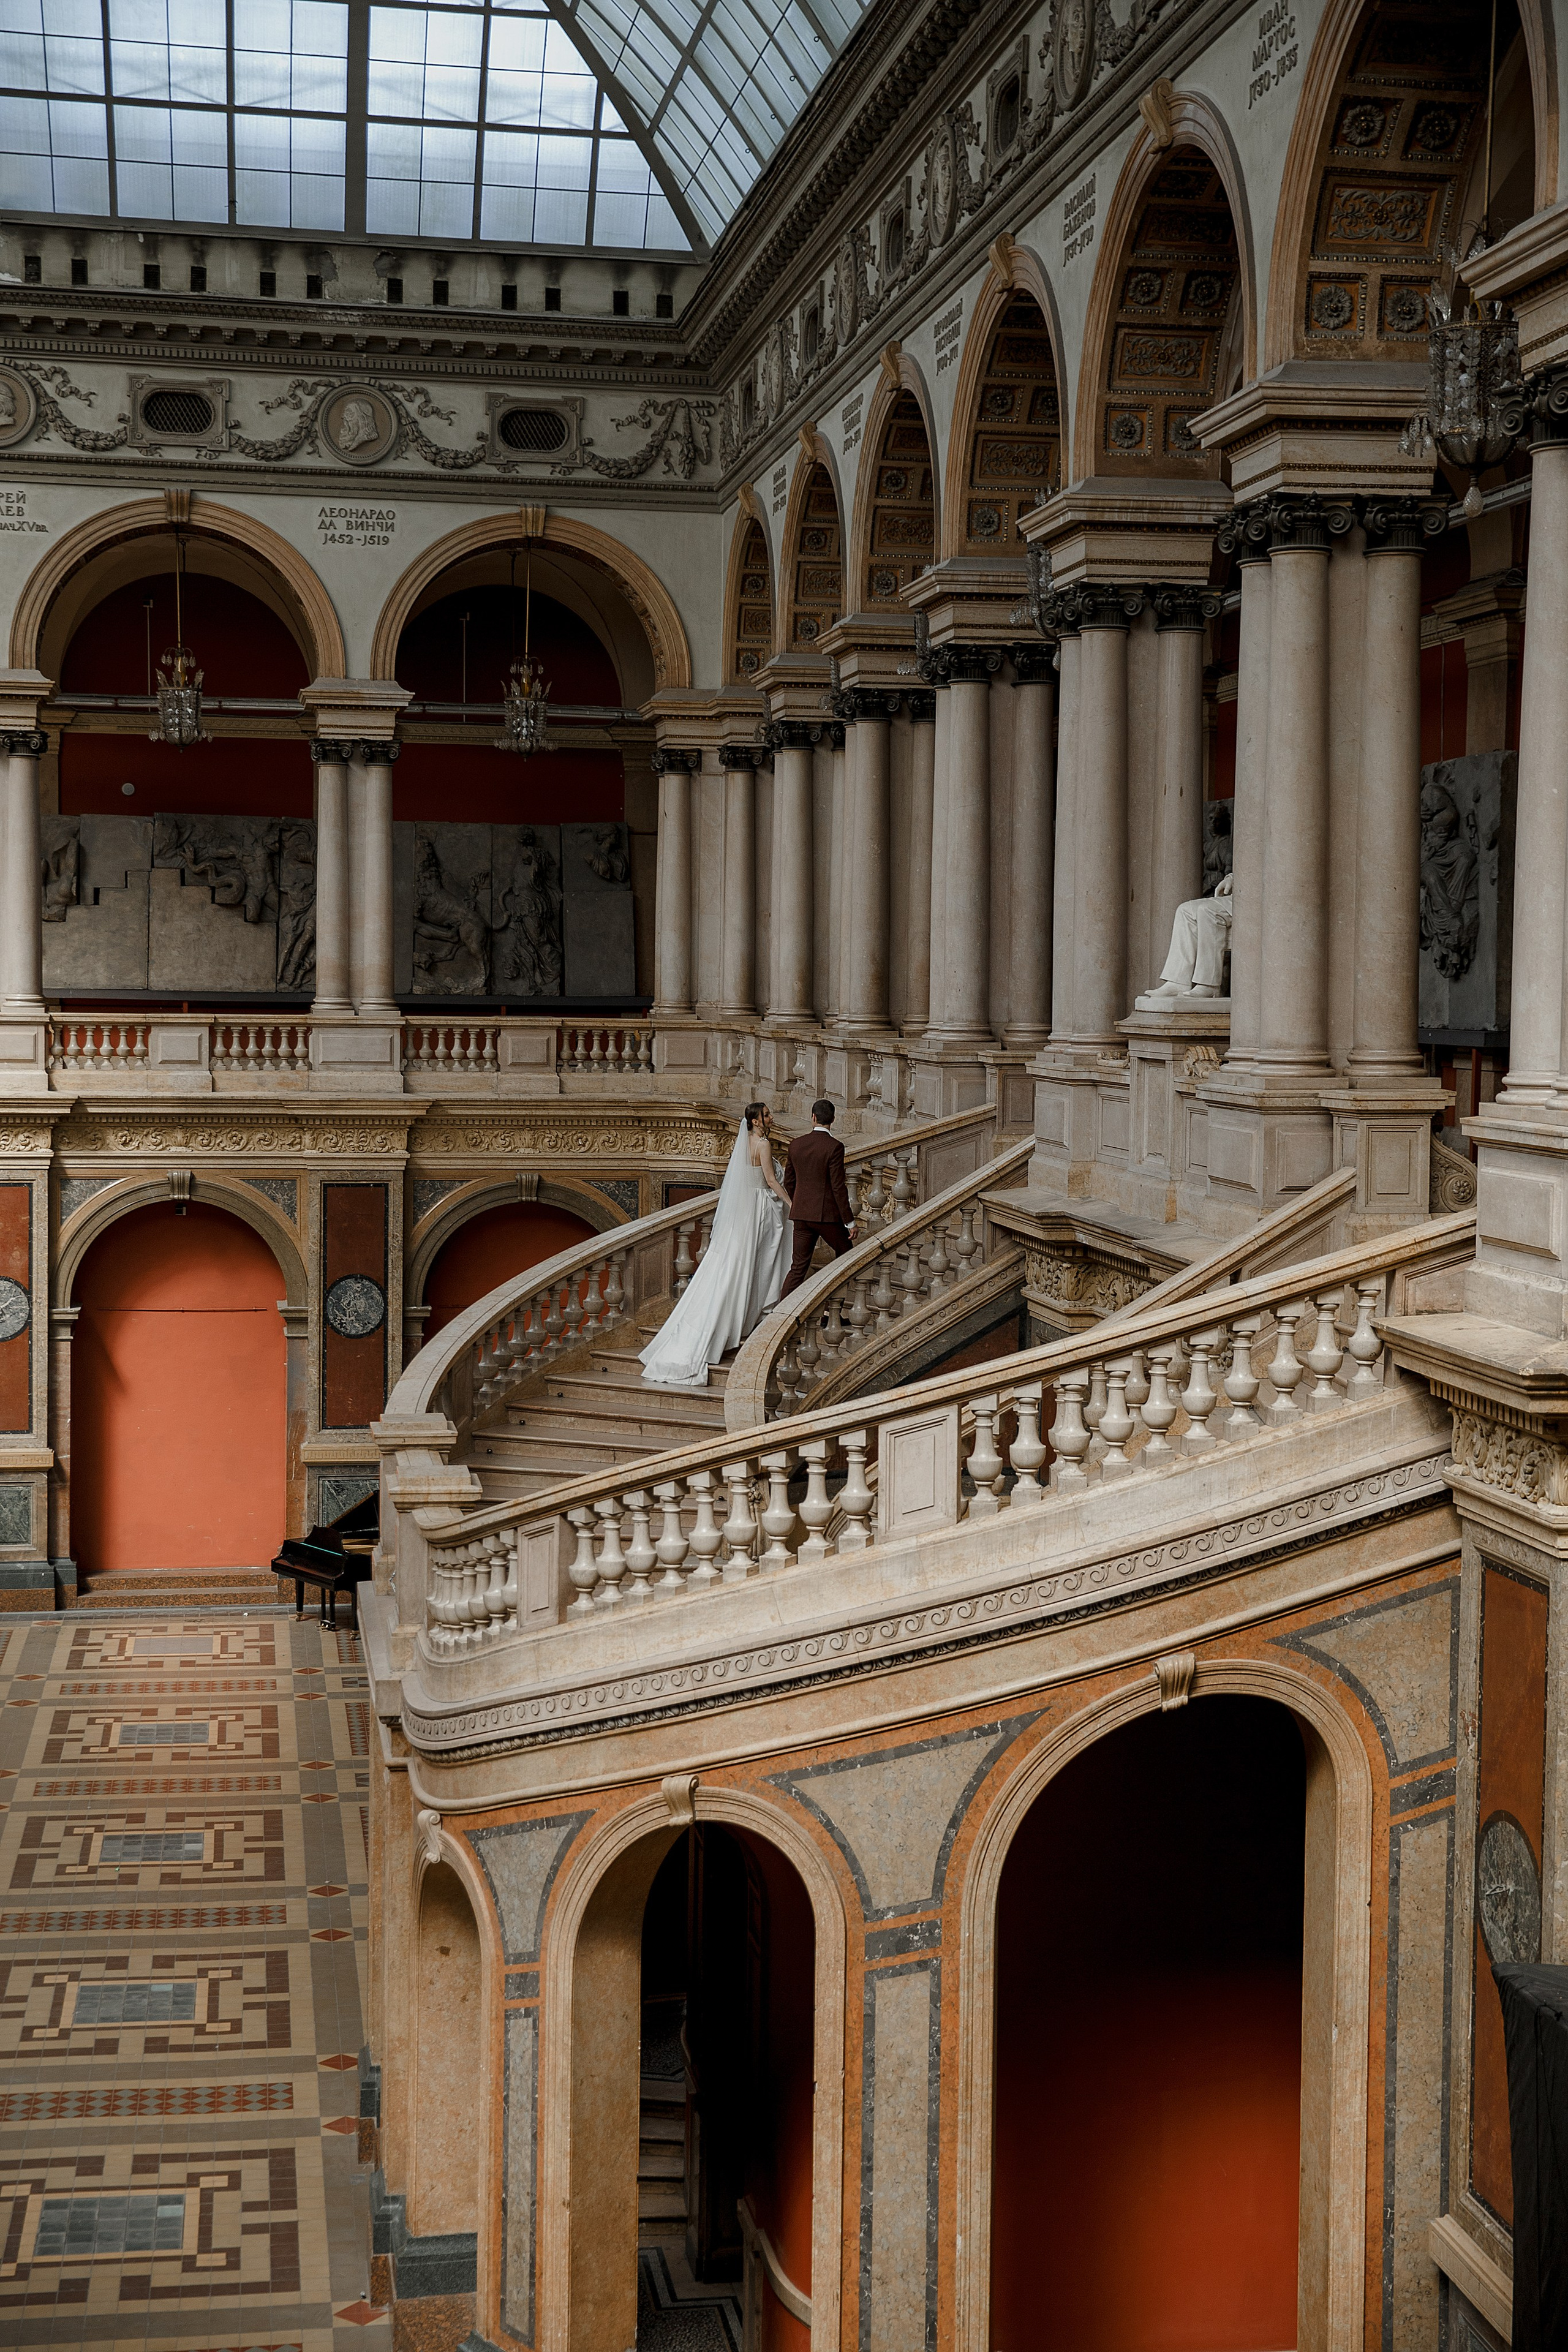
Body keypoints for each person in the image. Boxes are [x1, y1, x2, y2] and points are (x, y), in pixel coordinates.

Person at [639, 1104, 791, 1389]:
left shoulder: (744, 1143)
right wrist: (792, 1203)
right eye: (768, 1115)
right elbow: (770, 1181)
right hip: (760, 1210)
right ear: (757, 1121)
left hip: (744, 1215)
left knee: (737, 1265)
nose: (772, 1118)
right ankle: (742, 1319)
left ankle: (739, 1317)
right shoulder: (763, 1144)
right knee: (756, 1264)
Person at [779, 1098, 858, 1297]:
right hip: (827, 1217)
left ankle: (778, 1316)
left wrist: (799, 1203)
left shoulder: (796, 1145)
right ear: (832, 1119)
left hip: (801, 1215)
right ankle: (831, 1311)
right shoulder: (835, 1147)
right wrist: (850, 1222)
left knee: (797, 1268)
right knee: (847, 1257)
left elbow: (789, 1182)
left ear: (813, 1117)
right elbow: (838, 1187)